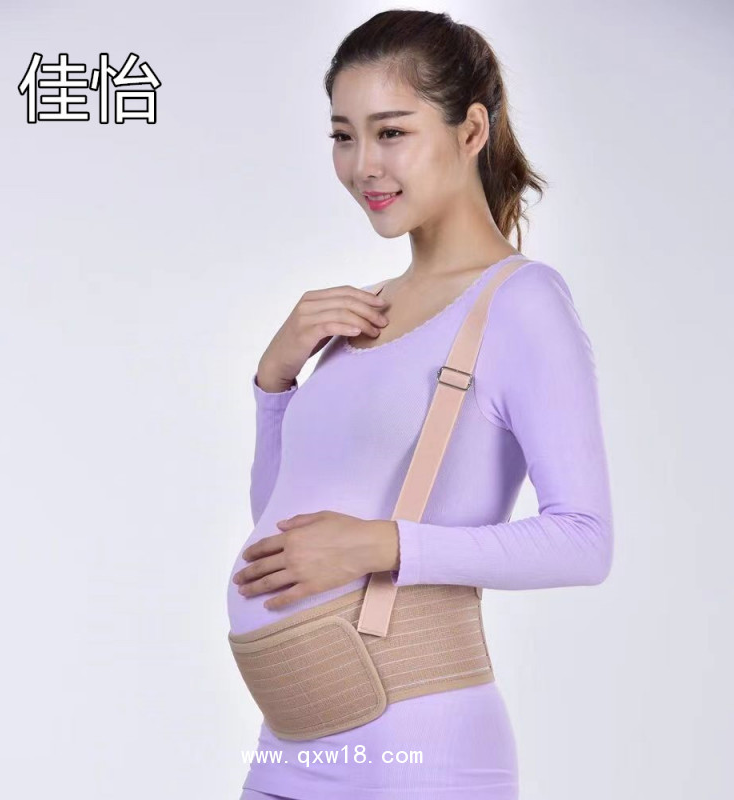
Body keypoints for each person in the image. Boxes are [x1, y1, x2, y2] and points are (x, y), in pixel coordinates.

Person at [227, 9, 613, 799]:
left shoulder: (521, 303)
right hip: (286, 745)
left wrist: (382, 545)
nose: (362, 165)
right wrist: (274, 383)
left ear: (471, 130)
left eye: (392, 132)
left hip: (417, 750)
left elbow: (584, 541)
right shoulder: (360, 313)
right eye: (343, 136)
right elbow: (281, 529)